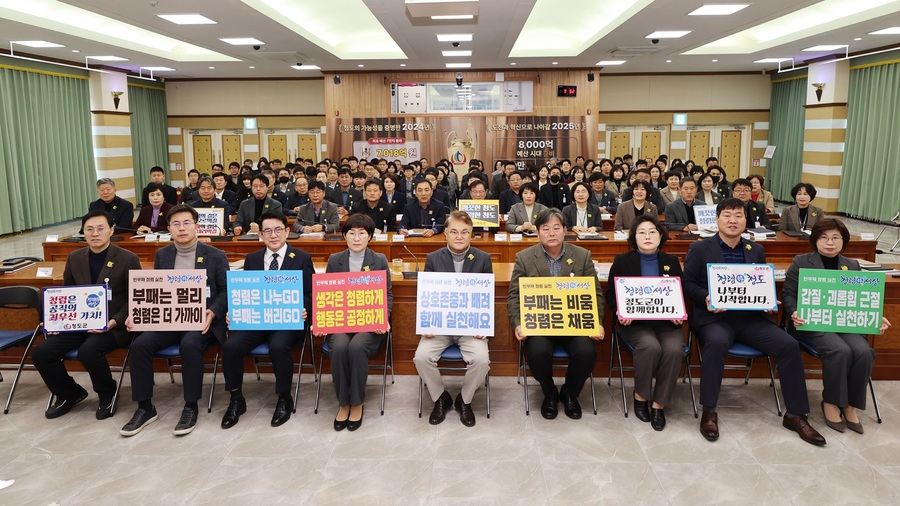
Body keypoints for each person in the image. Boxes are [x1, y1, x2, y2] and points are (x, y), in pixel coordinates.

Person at [682, 198, 826, 446]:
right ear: (716, 219)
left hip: (751, 319)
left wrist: (769, 300)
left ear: (745, 221)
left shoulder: (755, 250)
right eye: (727, 215)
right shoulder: (700, 248)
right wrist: (705, 297)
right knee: (716, 344)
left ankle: (796, 415)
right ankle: (709, 410)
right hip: (716, 319)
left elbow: (760, 282)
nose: (732, 220)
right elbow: (688, 283)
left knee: (789, 345)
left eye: (738, 216)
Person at [120, 204, 229, 437]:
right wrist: (139, 312)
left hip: (202, 320)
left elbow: (225, 291)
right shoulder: (163, 254)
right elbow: (159, 289)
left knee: (189, 345)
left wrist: (212, 312)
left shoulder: (216, 255)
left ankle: (190, 406)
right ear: (168, 228)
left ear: (197, 226)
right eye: (176, 224)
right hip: (169, 319)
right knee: (139, 345)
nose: (182, 228)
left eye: (187, 223)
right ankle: (145, 407)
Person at [783, 218, 891, 434]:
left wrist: (876, 317)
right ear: (815, 240)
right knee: (839, 350)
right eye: (823, 237)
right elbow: (788, 294)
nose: (829, 242)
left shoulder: (851, 265)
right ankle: (831, 402)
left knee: (863, 351)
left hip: (844, 323)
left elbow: (862, 299)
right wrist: (794, 311)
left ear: (843, 241)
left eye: (835, 238)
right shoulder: (801, 261)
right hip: (811, 323)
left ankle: (850, 405)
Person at [33, 210, 142, 420]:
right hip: (79, 323)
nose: (95, 233)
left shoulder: (128, 258)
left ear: (111, 230)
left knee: (88, 351)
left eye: (101, 228)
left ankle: (107, 393)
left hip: (113, 324)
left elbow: (135, 297)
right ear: (83, 232)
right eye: (89, 229)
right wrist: (57, 321)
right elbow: (67, 294)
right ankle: (69, 393)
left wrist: (114, 321)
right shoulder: (75, 258)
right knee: (42, 353)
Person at [507, 208, 604, 420]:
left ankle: (570, 392)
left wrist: (596, 322)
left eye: (556, 228)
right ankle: (549, 392)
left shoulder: (582, 255)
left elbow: (595, 294)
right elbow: (514, 296)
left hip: (573, 324)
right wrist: (518, 323)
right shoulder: (524, 258)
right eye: (546, 229)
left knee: (587, 352)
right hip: (541, 324)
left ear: (565, 231)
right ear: (538, 232)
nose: (552, 233)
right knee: (537, 352)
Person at [221, 211, 314, 429]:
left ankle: (284, 397)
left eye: (278, 230)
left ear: (287, 231)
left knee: (278, 346)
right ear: (260, 234)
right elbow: (244, 291)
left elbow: (311, 293)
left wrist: (304, 308)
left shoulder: (301, 257)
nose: (273, 235)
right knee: (231, 346)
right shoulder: (252, 258)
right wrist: (233, 310)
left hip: (288, 320)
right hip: (258, 320)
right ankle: (236, 399)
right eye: (268, 231)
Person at [315, 214, 393, 431]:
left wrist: (383, 318)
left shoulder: (379, 260)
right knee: (339, 348)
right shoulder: (334, 260)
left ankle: (357, 402)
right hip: (341, 322)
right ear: (345, 236)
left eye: (362, 233)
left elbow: (387, 295)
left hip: (369, 324)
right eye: (352, 233)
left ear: (370, 237)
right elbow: (326, 295)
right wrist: (320, 320)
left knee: (357, 347)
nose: (356, 238)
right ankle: (343, 402)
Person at [414, 211, 492, 427]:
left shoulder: (483, 259)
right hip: (440, 327)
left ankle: (464, 400)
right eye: (454, 232)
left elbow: (487, 298)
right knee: (421, 357)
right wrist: (426, 324)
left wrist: (485, 325)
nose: (459, 236)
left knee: (482, 360)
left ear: (471, 235)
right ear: (445, 234)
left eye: (464, 232)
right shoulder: (433, 258)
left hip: (470, 327)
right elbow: (426, 296)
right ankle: (440, 398)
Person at [606, 215, 684, 431]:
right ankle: (641, 396)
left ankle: (659, 404)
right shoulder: (622, 261)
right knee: (650, 347)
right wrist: (620, 310)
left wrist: (679, 311)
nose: (647, 236)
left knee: (674, 349)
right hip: (636, 323)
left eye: (652, 231)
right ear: (633, 237)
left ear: (660, 236)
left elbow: (679, 292)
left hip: (666, 322)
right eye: (641, 232)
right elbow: (612, 293)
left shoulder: (671, 262)